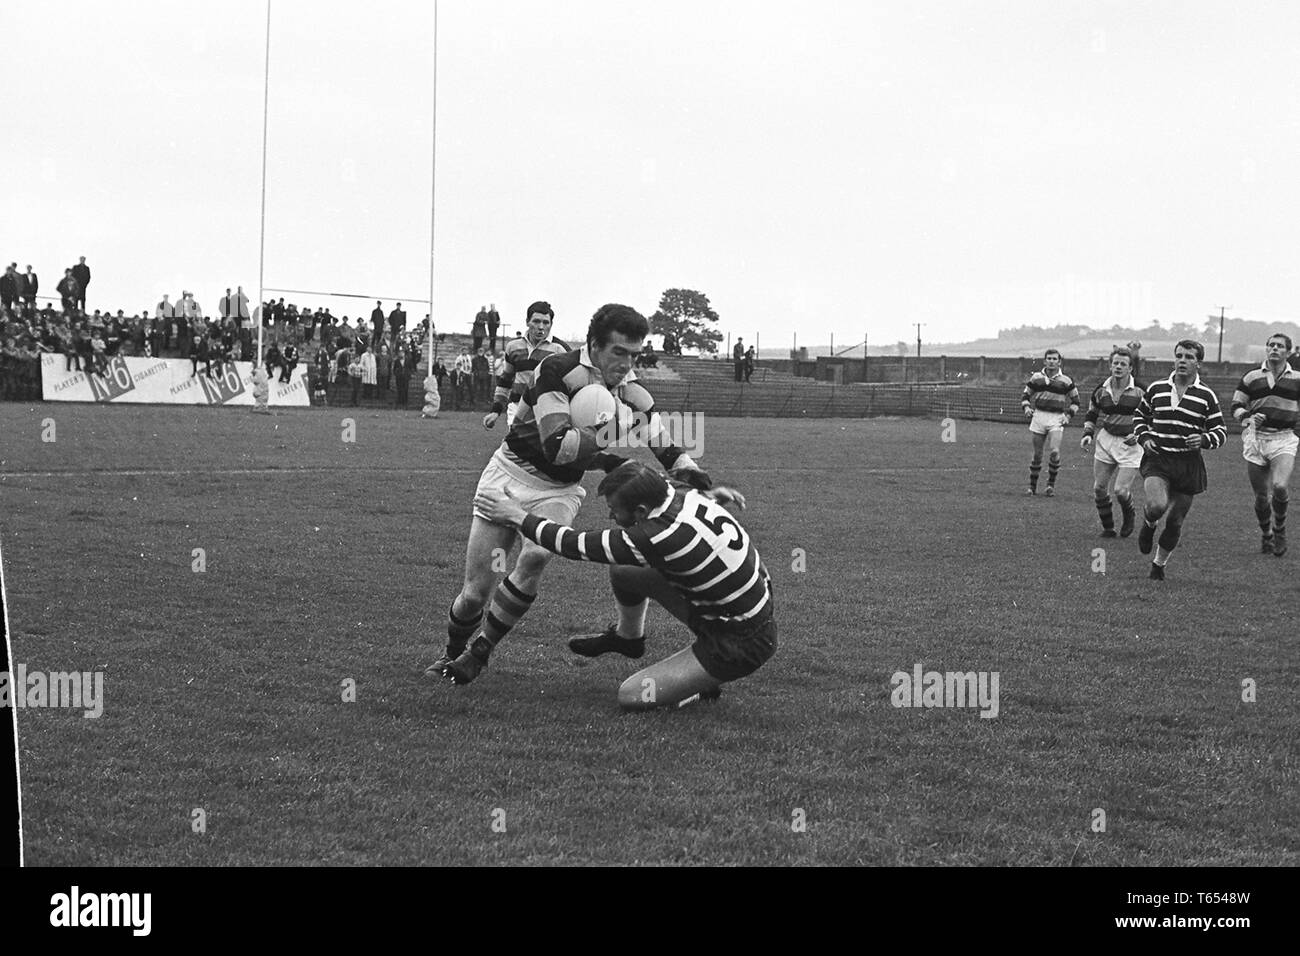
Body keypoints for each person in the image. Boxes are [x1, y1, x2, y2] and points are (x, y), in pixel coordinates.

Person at [429, 303, 710, 686]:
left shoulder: (633, 394)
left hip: (558, 490)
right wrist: (618, 459)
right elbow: (556, 446)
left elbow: (665, 446)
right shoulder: (557, 370)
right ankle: (450, 651)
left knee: (537, 554)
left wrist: (690, 471)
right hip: (508, 476)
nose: (627, 364)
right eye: (619, 353)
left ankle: (479, 652)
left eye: (634, 354)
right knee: (474, 595)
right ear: (594, 344)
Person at [473, 461, 774, 709]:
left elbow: (573, 543)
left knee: (632, 695)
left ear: (641, 512)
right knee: (625, 571)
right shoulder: (681, 495)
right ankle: (629, 638)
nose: (611, 516)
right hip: (740, 608)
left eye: (615, 510)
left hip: (741, 641)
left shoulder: (655, 536)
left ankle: (700, 682)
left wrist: (516, 515)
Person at [1133, 340, 1227, 580]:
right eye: (1179, 356)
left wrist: (1204, 439)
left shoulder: (1206, 395)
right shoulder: (1157, 389)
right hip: (1158, 459)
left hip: (1187, 465)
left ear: (1198, 363)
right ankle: (1149, 522)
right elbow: (1139, 417)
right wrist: (1144, 438)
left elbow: (1221, 431)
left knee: (1175, 522)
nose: (1182, 360)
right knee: (1157, 505)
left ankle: (1158, 565)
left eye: (1189, 357)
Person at [1229, 332, 1300, 556]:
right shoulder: (1251, 377)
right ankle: (1266, 534)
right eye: (1271, 345)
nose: (1274, 349)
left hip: (1284, 439)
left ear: (1288, 352)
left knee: (1279, 486)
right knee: (1261, 497)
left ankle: (1279, 530)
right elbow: (1236, 406)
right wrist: (1248, 417)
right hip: (1256, 439)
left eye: (1279, 346)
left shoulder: (1297, 378)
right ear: (1266, 348)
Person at [1080, 346, 1145, 537]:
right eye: (1115, 363)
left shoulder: (1141, 390)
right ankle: (1108, 528)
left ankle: (1129, 514)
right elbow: (1092, 412)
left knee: (1121, 491)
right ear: (1110, 366)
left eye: (1123, 364)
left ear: (1130, 368)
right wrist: (1087, 433)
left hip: (1130, 443)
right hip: (1106, 440)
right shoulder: (1101, 390)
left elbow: (1153, 415)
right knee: (1099, 488)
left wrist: (1141, 433)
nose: (1118, 367)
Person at [486, 301, 569, 432]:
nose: (541, 327)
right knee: (516, 450)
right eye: (536, 321)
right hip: (517, 407)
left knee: (542, 452)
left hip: (546, 410)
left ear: (551, 324)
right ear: (527, 322)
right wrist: (495, 411)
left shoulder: (560, 350)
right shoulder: (513, 347)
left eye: (546, 322)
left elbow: (568, 385)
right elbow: (506, 381)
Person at [1020, 348, 1080, 496]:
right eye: (1049, 358)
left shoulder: (1066, 381)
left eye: (1055, 359)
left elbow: (1076, 401)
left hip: (1056, 418)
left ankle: (1050, 486)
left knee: (1054, 452)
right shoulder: (1036, 378)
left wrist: (1068, 416)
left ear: (1059, 362)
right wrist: (1027, 408)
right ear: (1045, 361)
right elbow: (1025, 396)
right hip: (1039, 417)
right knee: (1037, 455)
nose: (1052, 361)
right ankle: (1032, 487)